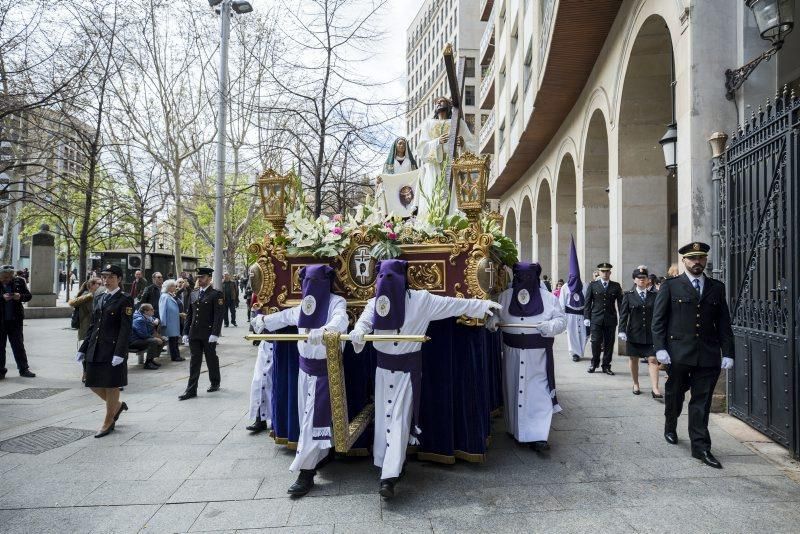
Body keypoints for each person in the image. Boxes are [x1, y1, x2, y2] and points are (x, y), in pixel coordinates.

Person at [349, 259, 501, 499]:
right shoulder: (374, 304)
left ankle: (389, 477)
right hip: (382, 371)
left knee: (398, 418)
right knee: (384, 417)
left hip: (407, 373)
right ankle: (386, 462)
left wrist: (484, 306)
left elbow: (453, 304)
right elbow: (364, 322)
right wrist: (357, 333)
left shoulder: (421, 300)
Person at [252, 265, 349, 496]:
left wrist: (325, 331)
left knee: (312, 422)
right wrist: (263, 321)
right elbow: (288, 315)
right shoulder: (307, 303)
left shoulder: (336, 302)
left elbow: (341, 319)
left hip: (325, 371)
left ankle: (305, 472)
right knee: (309, 415)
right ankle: (324, 454)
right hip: (304, 371)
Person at [652, 242, 734, 469]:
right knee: (675, 394)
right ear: (684, 261)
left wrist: (728, 352)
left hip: (708, 355)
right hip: (678, 354)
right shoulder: (671, 286)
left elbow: (724, 323)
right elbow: (658, 321)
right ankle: (671, 424)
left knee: (701, 402)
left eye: (701, 258)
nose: (697, 262)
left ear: (705, 260)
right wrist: (660, 348)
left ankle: (701, 448)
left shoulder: (716, 287)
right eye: (692, 258)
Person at [486, 262, 566, 451]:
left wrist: (549, 327)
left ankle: (538, 434)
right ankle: (517, 430)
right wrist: (494, 321)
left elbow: (562, 320)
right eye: (520, 278)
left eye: (528, 277)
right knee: (514, 389)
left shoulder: (548, 298)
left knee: (538, 391)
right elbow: (495, 315)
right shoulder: (505, 297)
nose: (524, 282)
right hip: (512, 353)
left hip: (537, 356)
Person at [76, 264, 132, 438]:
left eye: (111, 277)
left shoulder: (125, 299)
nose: (106, 281)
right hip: (95, 347)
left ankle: (108, 421)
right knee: (91, 382)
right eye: (105, 277)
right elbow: (93, 325)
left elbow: (125, 329)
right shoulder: (99, 297)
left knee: (111, 385)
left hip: (113, 349)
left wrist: (120, 352)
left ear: (119, 279)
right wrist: (83, 347)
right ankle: (117, 406)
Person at [415, 96, 477, 219]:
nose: (439, 103)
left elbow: (472, 146)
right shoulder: (428, 124)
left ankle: (453, 222)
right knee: (432, 193)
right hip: (434, 168)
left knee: (452, 195)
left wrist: (463, 144)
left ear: (449, 106)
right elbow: (421, 149)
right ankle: (431, 225)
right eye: (437, 102)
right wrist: (437, 141)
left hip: (453, 166)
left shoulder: (458, 123)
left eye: (442, 101)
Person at [179, 267, 224, 400]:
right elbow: (190, 314)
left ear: (209, 278)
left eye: (202, 277)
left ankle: (215, 382)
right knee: (194, 361)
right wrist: (185, 332)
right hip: (195, 333)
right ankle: (191, 390)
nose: (199, 279)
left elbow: (218, 316)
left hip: (208, 333)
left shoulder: (216, 294)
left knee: (211, 358)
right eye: (198, 277)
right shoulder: (194, 293)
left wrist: (215, 333)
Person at [618, 267, 661, 397]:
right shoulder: (628, 295)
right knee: (634, 359)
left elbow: (658, 314)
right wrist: (622, 330)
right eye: (639, 278)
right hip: (634, 333)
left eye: (644, 278)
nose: (642, 280)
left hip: (651, 334)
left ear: (648, 280)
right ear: (634, 280)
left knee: (653, 359)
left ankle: (655, 388)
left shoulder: (655, 296)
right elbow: (624, 315)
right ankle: (636, 383)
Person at [583, 262, 623, 375]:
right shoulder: (593, 285)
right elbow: (587, 302)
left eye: (607, 271)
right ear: (599, 272)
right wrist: (587, 317)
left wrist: (623, 319)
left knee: (609, 344)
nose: (605, 273)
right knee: (595, 342)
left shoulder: (616, 286)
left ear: (610, 272)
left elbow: (621, 304)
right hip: (596, 319)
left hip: (610, 319)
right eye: (603, 271)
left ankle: (606, 365)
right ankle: (594, 363)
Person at [0, 265, 35, 379]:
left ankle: (24, 369)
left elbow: (28, 296)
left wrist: (19, 296)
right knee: (0, 347)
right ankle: (1, 371)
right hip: (1, 320)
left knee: (18, 345)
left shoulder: (19, 281)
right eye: (4, 277)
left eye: (10, 277)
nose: (7, 279)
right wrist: (2, 298)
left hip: (15, 320)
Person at [559, 238, 588, 362]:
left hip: (581, 314)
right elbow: (561, 302)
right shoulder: (565, 287)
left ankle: (580, 351)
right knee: (572, 335)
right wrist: (562, 317)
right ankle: (574, 353)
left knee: (582, 335)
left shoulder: (585, 286)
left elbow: (587, 300)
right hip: (570, 315)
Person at [69, 277, 103, 382]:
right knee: (87, 351)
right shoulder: (88, 296)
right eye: (99, 283)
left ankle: (88, 373)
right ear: (92, 285)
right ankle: (86, 373)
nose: (101, 285)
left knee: (90, 351)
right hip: (88, 328)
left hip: (91, 327)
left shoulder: (93, 295)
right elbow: (72, 303)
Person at [246, 308, 272, 435]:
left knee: (274, 384)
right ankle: (259, 419)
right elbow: (256, 319)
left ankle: (276, 420)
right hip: (265, 343)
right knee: (258, 382)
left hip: (281, 342)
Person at [129, 303, 163, 370]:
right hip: (133, 341)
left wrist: (156, 320)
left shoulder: (147, 316)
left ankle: (151, 359)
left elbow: (155, 318)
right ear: (145, 311)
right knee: (154, 341)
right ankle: (148, 363)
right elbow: (143, 334)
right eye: (151, 309)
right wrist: (154, 337)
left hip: (140, 339)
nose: (154, 310)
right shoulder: (139, 319)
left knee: (163, 339)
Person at [159, 279, 185, 362]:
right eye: (173, 286)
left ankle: (176, 355)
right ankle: (175, 356)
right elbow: (162, 310)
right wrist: (163, 323)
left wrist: (179, 314)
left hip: (173, 322)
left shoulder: (170, 295)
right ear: (169, 287)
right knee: (173, 340)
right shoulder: (164, 296)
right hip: (169, 322)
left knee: (175, 339)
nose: (175, 287)